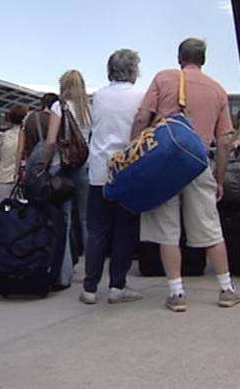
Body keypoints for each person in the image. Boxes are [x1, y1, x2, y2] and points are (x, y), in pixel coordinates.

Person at [130, 37, 240, 312]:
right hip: (197, 162)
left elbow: (143, 117)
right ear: (203, 59)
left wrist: (134, 150)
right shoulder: (217, 91)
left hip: (164, 164)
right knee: (210, 227)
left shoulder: (164, 79)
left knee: (168, 230)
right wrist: (220, 177)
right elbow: (225, 140)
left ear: (179, 57)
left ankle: (177, 293)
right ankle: (226, 289)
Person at [79, 49, 145, 305]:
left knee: (98, 230)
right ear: (132, 70)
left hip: (99, 171)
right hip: (128, 171)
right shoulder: (140, 96)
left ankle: (89, 287)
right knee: (125, 231)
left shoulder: (98, 96)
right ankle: (117, 286)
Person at [42, 71, 91, 289]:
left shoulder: (58, 107)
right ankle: (92, 269)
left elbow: (51, 140)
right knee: (87, 219)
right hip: (85, 167)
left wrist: (44, 164)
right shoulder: (89, 108)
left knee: (65, 219)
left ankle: (64, 273)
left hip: (61, 168)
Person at [0, 105, 29, 202]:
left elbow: (1, 155)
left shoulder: (5, 135)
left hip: (4, 175)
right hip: (20, 175)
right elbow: (21, 151)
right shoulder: (26, 135)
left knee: (3, 204)